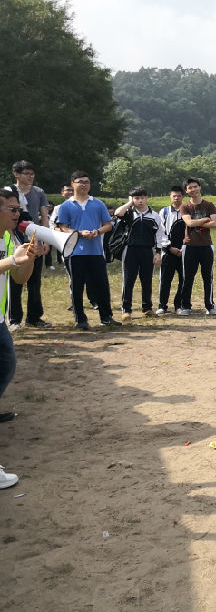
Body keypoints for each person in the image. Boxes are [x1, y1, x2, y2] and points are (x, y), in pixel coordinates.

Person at [0, 187, 40, 488]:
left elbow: (19, 279)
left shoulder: (8, 238)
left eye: (18, 210)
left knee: (7, 364)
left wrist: (30, 258)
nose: (18, 215)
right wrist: (13, 260)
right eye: (12, 209)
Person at [55, 171, 121, 330]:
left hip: (96, 252)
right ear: (73, 184)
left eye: (86, 182)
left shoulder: (97, 203)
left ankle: (106, 317)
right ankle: (80, 319)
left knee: (102, 285)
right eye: (80, 182)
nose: (84, 185)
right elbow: (62, 227)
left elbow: (108, 224)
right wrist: (78, 233)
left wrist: (97, 232)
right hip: (75, 252)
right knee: (77, 286)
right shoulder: (66, 206)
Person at [4, 160, 51, 329]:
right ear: (16, 174)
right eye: (26, 174)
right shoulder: (9, 192)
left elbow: (44, 216)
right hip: (15, 240)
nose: (30, 177)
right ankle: (14, 319)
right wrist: (13, 240)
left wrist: (46, 239)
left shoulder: (39, 192)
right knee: (15, 283)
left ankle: (34, 317)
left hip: (35, 241)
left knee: (35, 282)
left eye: (32, 174)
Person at [113, 187, 165, 320]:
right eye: (136, 198)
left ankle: (147, 308)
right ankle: (126, 310)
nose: (140, 201)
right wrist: (129, 203)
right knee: (128, 280)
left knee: (147, 280)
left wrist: (158, 252)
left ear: (147, 198)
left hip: (147, 250)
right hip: (130, 250)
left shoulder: (154, 216)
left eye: (142, 197)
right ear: (132, 199)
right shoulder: (129, 213)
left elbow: (159, 235)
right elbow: (117, 213)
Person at [178, 177, 216, 316]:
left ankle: (210, 305)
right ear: (186, 191)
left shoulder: (209, 205)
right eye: (190, 188)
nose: (193, 189)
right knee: (187, 277)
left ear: (200, 187)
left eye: (195, 186)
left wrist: (197, 222)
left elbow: (215, 223)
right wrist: (205, 220)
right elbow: (189, 223)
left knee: (208, 277)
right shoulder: (185, 206)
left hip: (206, 246)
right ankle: (185, 306)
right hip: (189, 246)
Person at [157, 186, 186, 315]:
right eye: (174, 195)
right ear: (170, 196)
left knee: (184, 279)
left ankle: (178, 305)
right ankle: (162, 305)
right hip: (168, 251)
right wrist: (169, 248)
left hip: (185, 250)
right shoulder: (164, 212)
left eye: (179, 196)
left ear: (183, 197)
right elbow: (160, 231)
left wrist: (183, 248)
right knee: (165, 279)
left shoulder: (188, 211)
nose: (176, 198)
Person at [48, 184, 73, 267]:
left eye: (72, 190)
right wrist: (60, 230)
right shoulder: (58, 208)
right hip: (64, 237)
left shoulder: (83, 206)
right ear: (62, 193)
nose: (71, 192)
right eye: (68, 190)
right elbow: (51, 224)